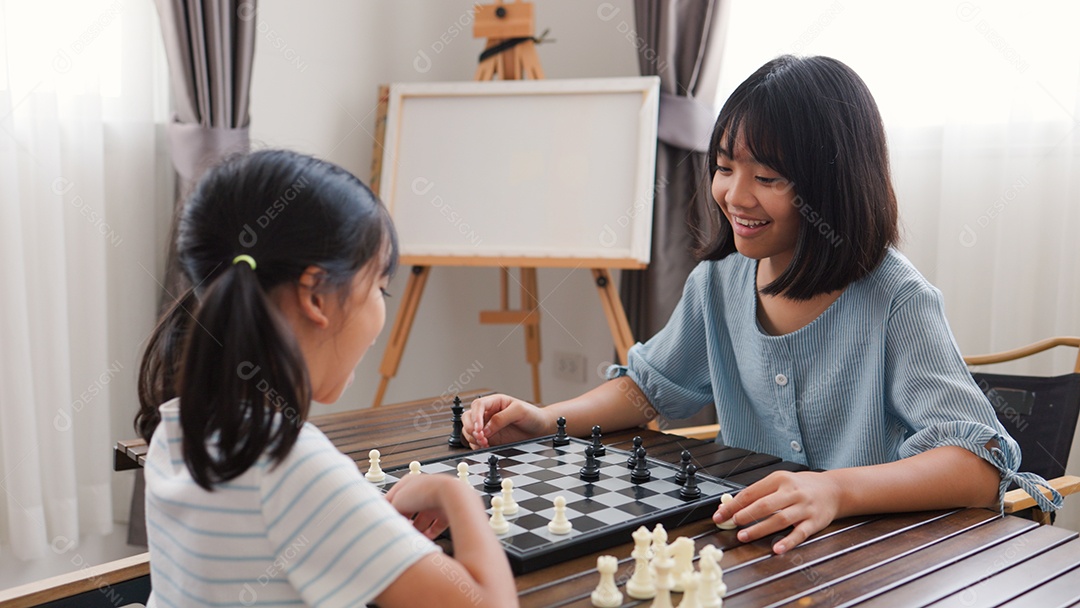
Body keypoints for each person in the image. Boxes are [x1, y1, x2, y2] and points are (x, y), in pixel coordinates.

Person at [463, 55, 1061, 555]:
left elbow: (976, 466)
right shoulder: (718, 283)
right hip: (766, 548)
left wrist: (835, 491)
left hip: (880, 555)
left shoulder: (898, 302)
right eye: (724, 167)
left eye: (768, 177)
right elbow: (650, 388)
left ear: (834, 184)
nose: (735, 195)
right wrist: (548, 419)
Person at [135, 150, 517, 607]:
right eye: (379, 287)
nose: (381, 314)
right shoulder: (290, 464)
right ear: (316, 295)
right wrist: (456, 493)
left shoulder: (179, 428)